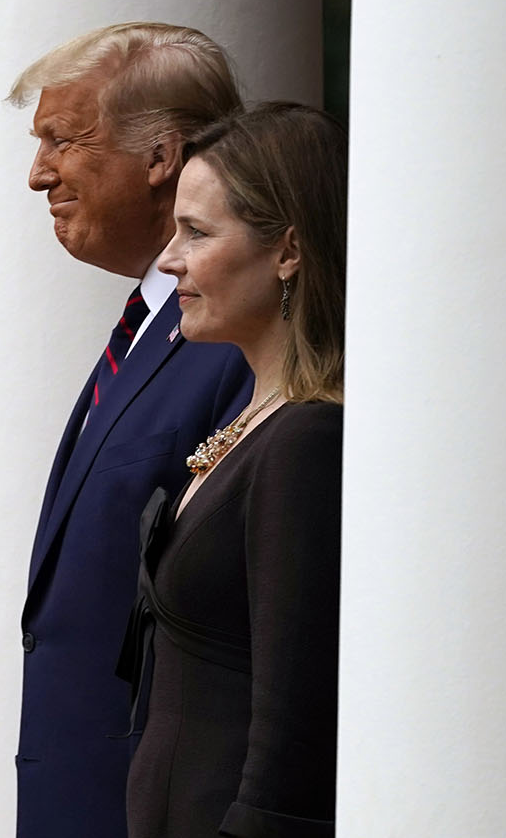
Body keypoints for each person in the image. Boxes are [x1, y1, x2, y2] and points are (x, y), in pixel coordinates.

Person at [7, 23, 255, 838]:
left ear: (160, 159)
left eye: (60, 140)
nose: (38, 174)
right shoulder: (153, 326)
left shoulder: (236, 343)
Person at [121, 101, 346, 838]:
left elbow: (295, 725)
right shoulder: (255, 420)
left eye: (197, 233)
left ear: (286, 250)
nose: (169, 259)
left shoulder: (307, 439)